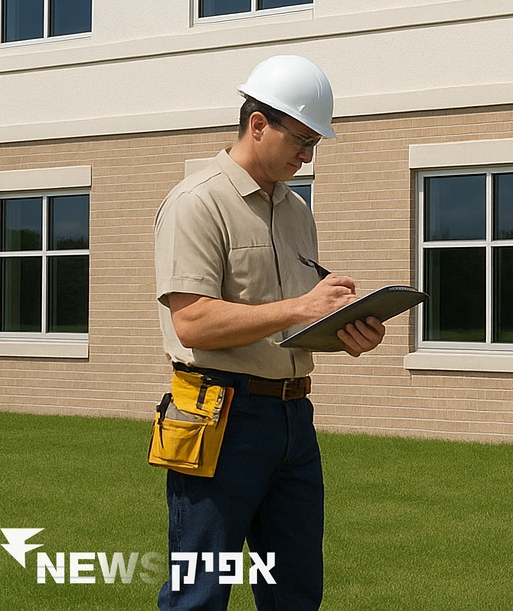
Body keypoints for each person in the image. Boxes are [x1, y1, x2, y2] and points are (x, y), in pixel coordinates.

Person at [154, 54, 386, 610]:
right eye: (302, 140)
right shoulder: (196, 201)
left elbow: (294, 315)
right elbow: (192, 321)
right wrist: (301, 307)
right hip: (218, 414)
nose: (308, 155)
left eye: (316, 144)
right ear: (258, 124)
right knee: (200, 593)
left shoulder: (296, 210)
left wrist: (346, 327)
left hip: (292, 420)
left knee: (297, 589)